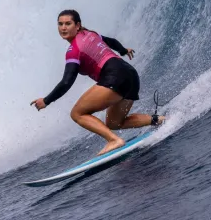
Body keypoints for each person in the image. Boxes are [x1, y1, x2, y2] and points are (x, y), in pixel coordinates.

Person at [30, 9, 165, 155]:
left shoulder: (73, 51)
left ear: (77, 25)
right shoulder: (91, 34)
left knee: (77, 114)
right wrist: (123, 50)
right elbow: (111, 41)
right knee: (114, 123)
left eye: (68, 23)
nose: (63, 27)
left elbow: (66, 82)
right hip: (131, 75)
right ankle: (159, 120)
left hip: (115, 77)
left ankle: (114, 141)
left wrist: (46, 100)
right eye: (60, 24)